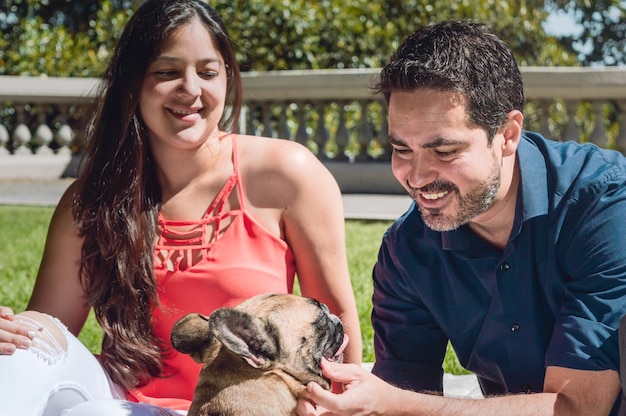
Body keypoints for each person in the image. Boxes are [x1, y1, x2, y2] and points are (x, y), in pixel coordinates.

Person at [0, 0, 362, 414]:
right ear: (133, 84)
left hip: (240, 406)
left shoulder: (287, 174)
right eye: (167, 72)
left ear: (227, 77)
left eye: (208, 72)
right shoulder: (91, 201)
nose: (190, 90)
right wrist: (7, 335)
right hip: (123, 401)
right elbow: (45, 339)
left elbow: (336, 329)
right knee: (23, 347)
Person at [298, 20, 626, 416]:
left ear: (507, 134)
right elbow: (400, 396)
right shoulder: (407, 251)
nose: (416, 177)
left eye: (445, 150)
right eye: (401, 149)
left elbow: (577, 410)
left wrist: (392, 403)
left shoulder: (602, 204)